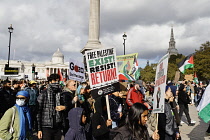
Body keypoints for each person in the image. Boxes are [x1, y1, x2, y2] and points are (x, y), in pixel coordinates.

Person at [37, 74, 64, 140]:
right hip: (46, 126)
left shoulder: (60, 93)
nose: (56, 83)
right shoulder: (43, 94)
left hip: (57, 125)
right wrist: (39, 129)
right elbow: (38, 112)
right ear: (49, 82)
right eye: (54, 81)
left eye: (58, 81)